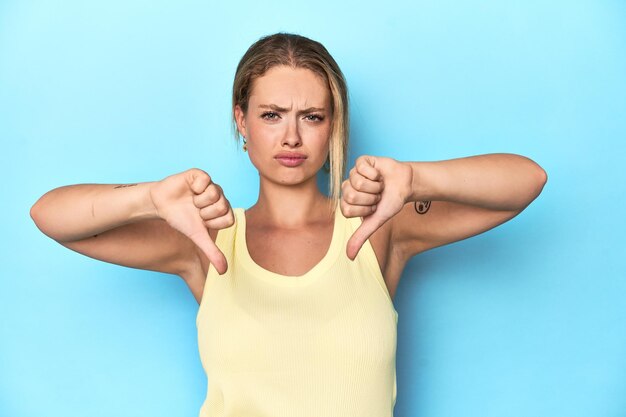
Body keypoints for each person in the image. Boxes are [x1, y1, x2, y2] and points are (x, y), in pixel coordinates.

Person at [30, 32, 547, 417]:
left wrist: (416, 178)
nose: (292, 137)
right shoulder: (204, 236)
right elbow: (49, 215)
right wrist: (147, 197)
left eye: (313, 116)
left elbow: (526, 181)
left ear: (334, 126)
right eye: (273, 115)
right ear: (242, 121)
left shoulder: (377, 228)